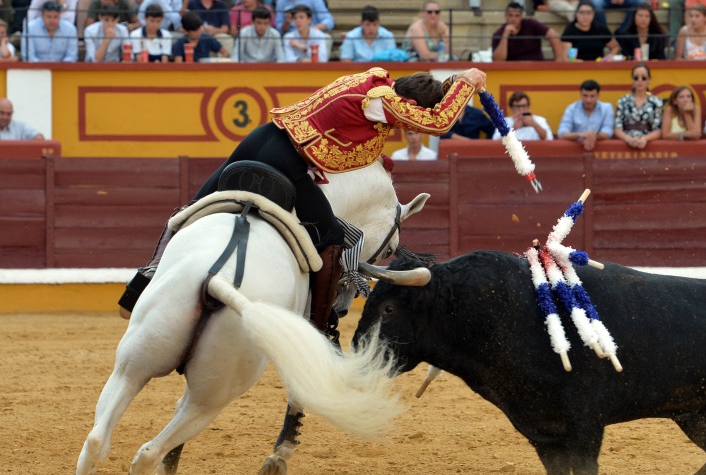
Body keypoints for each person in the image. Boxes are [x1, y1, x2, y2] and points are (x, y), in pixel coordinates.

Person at [118, 66, 487, 339]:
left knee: (195, 209)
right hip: (287, 162)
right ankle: (319, 330)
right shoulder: (383, 102)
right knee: (333, 239)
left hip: (262, 137)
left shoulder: (375, 79)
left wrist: (451, 82)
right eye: (409, 121)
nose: (407, 128)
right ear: (409, 103)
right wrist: (466, 82)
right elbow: (438, 123)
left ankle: (138, 291)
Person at [491, 1, 566, 61]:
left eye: (517, 16)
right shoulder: (499, 33)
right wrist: (505, 35)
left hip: (536, 68)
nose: (513, 19)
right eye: (510, 15)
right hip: (514, 71)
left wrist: (558, 60)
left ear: (521, 17)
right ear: (505, 16)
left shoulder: (531, 24)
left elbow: (553, 35)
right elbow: (498, 60)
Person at [613, 62, 663, 150]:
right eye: (636, 78)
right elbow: (617, 128)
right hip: (625, 144)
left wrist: (645, 139)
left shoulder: (657, 102)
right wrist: (628, 139)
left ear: (649, 80)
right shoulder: (623, 100)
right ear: (632, 80)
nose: (640, 81)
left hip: (649, 145)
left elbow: (658, 130)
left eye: (644, 78)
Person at [557, 78, 614, 150]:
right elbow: (561, 133)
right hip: (575, 150)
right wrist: (581, 135)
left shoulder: (607, 108)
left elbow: (608, 132)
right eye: (585, 95)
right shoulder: (571, 108)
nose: (588, 100)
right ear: (580, 95)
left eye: (592, 96)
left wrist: (593, 135)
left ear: (598, 96)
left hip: (600, 150)